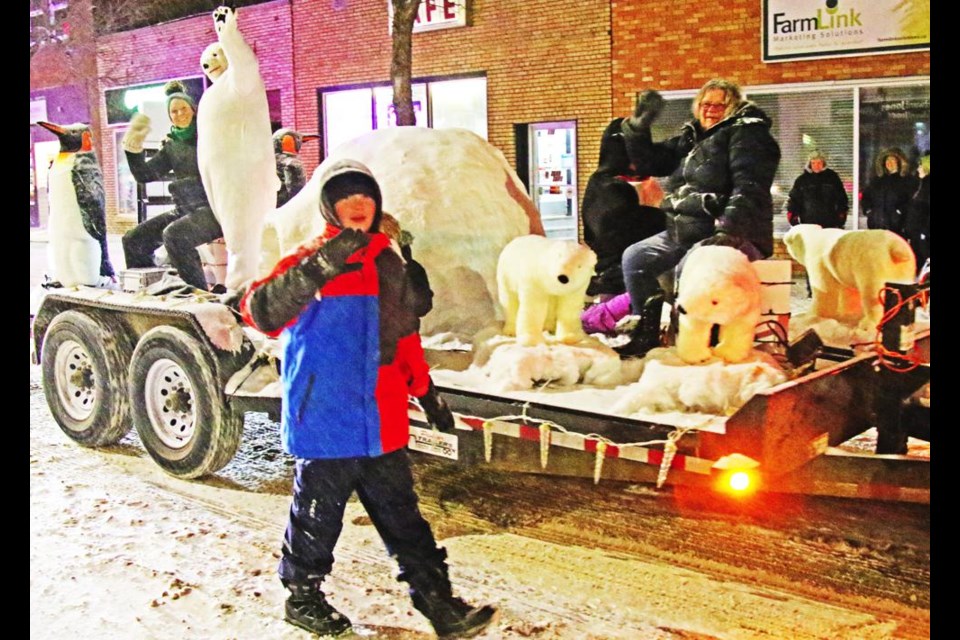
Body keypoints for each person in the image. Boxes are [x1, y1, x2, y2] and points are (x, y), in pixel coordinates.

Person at [239, 160, 498, 639]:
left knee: (405, 519)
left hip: (381, 420)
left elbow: (403, 339)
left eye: (367, 197)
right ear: (329, 208)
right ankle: (303, 599)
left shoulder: (389, 262)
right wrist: (321, 265)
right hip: (325, 416)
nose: (358, 205)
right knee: (317, 519)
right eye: (346, 197)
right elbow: (259, 311)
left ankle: (440, 606)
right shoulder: (311, 257)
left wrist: (427, 393)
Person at [581, 79, 781, 357]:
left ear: (733, 106)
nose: (710, 110)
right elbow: (654, 161)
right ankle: (645, 329)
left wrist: (728, 228)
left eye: (719, 104)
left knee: (690, 272)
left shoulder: (748, 135)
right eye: (705, 103)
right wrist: (637, 129)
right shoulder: (693, 138)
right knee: (636, 257)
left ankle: (699, 340)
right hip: (688, 227)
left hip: (733, 230)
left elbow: (749, 187)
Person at [120, 80, 224, 291]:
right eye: (173, 112)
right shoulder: (172, 145)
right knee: (133, 240)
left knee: (175, 235)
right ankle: (153, 291)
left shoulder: (208, 136)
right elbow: (145, 175)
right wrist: (133, 150)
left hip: (212, 209)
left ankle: (198, 294)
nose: (179, 114)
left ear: (193, 110)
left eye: (183, 109)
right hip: (184, 210)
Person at [581, 116, 666, 305]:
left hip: (616, 283)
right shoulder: (613, 188)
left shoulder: (601, 182)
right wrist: (655, 207)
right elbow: (631, 237)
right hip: (621, 288)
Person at [785, 150, 849, 229]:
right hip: (808, 223)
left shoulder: (832, 178)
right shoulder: (802, 180)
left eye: (819, 163)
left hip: (830, 223)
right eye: (813, 163)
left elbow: (841, 198)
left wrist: (842, 215)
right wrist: (792, 216)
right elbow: (794, 200)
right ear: (809, 164)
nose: (816, 166)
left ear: (824, 163)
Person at [861, 147, 914, 238]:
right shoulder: (876, 181)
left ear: (899, 163)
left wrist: (899, 212)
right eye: (887, 161)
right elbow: (866, 197)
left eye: (893, 160)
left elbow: (910, 201)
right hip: (876, 226)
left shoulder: (905, 181)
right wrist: (869, 211)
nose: (889, 163)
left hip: (896, 227)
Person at [273, 128, 318, 207]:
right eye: (296, 140)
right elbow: (295, 192)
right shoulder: (292, 164)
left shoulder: (271, 162)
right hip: (286, 205)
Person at [904, 150, 930, 273]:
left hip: (924, 234)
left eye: (921, 166)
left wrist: (924, 231)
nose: (918, 168)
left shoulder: (926, 186)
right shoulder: (919, 184)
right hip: (916, 233)